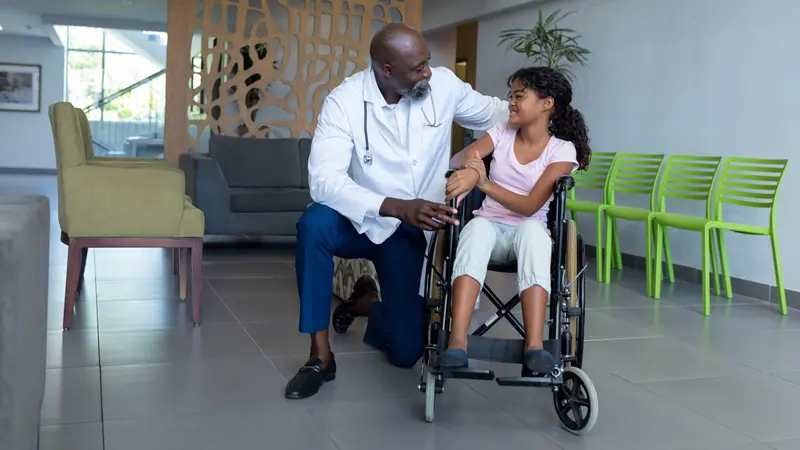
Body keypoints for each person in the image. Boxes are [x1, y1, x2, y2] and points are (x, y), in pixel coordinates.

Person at [284, 23, 508, 400]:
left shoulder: (443, 86)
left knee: (406, 354)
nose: (428, 73)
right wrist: (395, 207)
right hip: (359, 219)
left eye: (428, 63)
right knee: (314, 224)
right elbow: (323, 181)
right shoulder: (345, 101)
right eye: (418, 67)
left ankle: (368, 303)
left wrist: (547, 115)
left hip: (409, 231)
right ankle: (319, 355)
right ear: (386, 70)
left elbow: (497, 114)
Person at [440, 66, 591, 375]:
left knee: (535, 235)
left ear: (547, 104)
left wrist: (484, 184)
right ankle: (457, 341)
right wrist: (471, 169)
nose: (510, 102)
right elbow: (459, 158)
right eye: (511, 95)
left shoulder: (562, 150)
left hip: (529, 228)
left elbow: (531, 204)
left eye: (519, 96)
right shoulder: (502, 133)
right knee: (476, 228)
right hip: (489, 227)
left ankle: (534, 345)